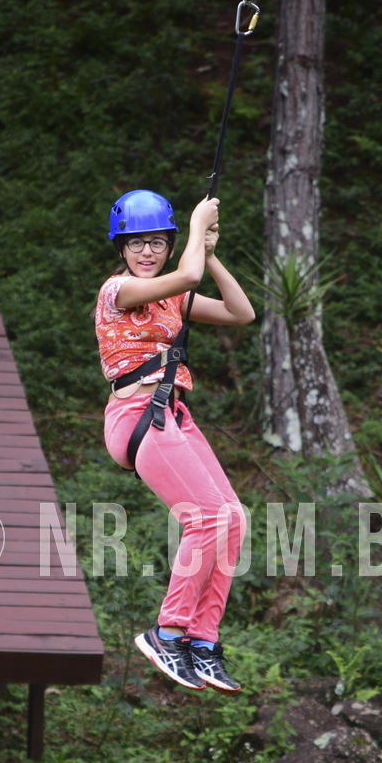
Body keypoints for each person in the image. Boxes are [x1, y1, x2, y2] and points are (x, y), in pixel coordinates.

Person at [95, 189, 255, 694]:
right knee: (205, 517)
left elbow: (240, 313)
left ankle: (202, 642)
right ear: (121, 249)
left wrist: (210, 254)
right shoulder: (115, 292)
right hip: (136, 415)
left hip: (171, 413)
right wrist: (195, 223)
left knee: (232, 517)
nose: (147, 252)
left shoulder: (173, 297)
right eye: (137, 243)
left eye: (158, 244)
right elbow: (186, 276)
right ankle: (167, 633)